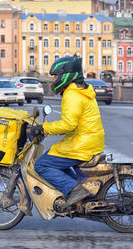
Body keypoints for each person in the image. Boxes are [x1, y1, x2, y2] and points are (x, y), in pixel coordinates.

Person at [33, 55, 105, 208]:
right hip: (89, 141)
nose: (55, 80)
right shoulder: (82, 90)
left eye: (56, 76)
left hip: (82, 144)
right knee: (55, 156)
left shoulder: (72, 94)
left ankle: (75, 190)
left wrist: (44, 128)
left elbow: (68, 124)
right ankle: (81, 190)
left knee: (42, 165)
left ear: (65, 75)